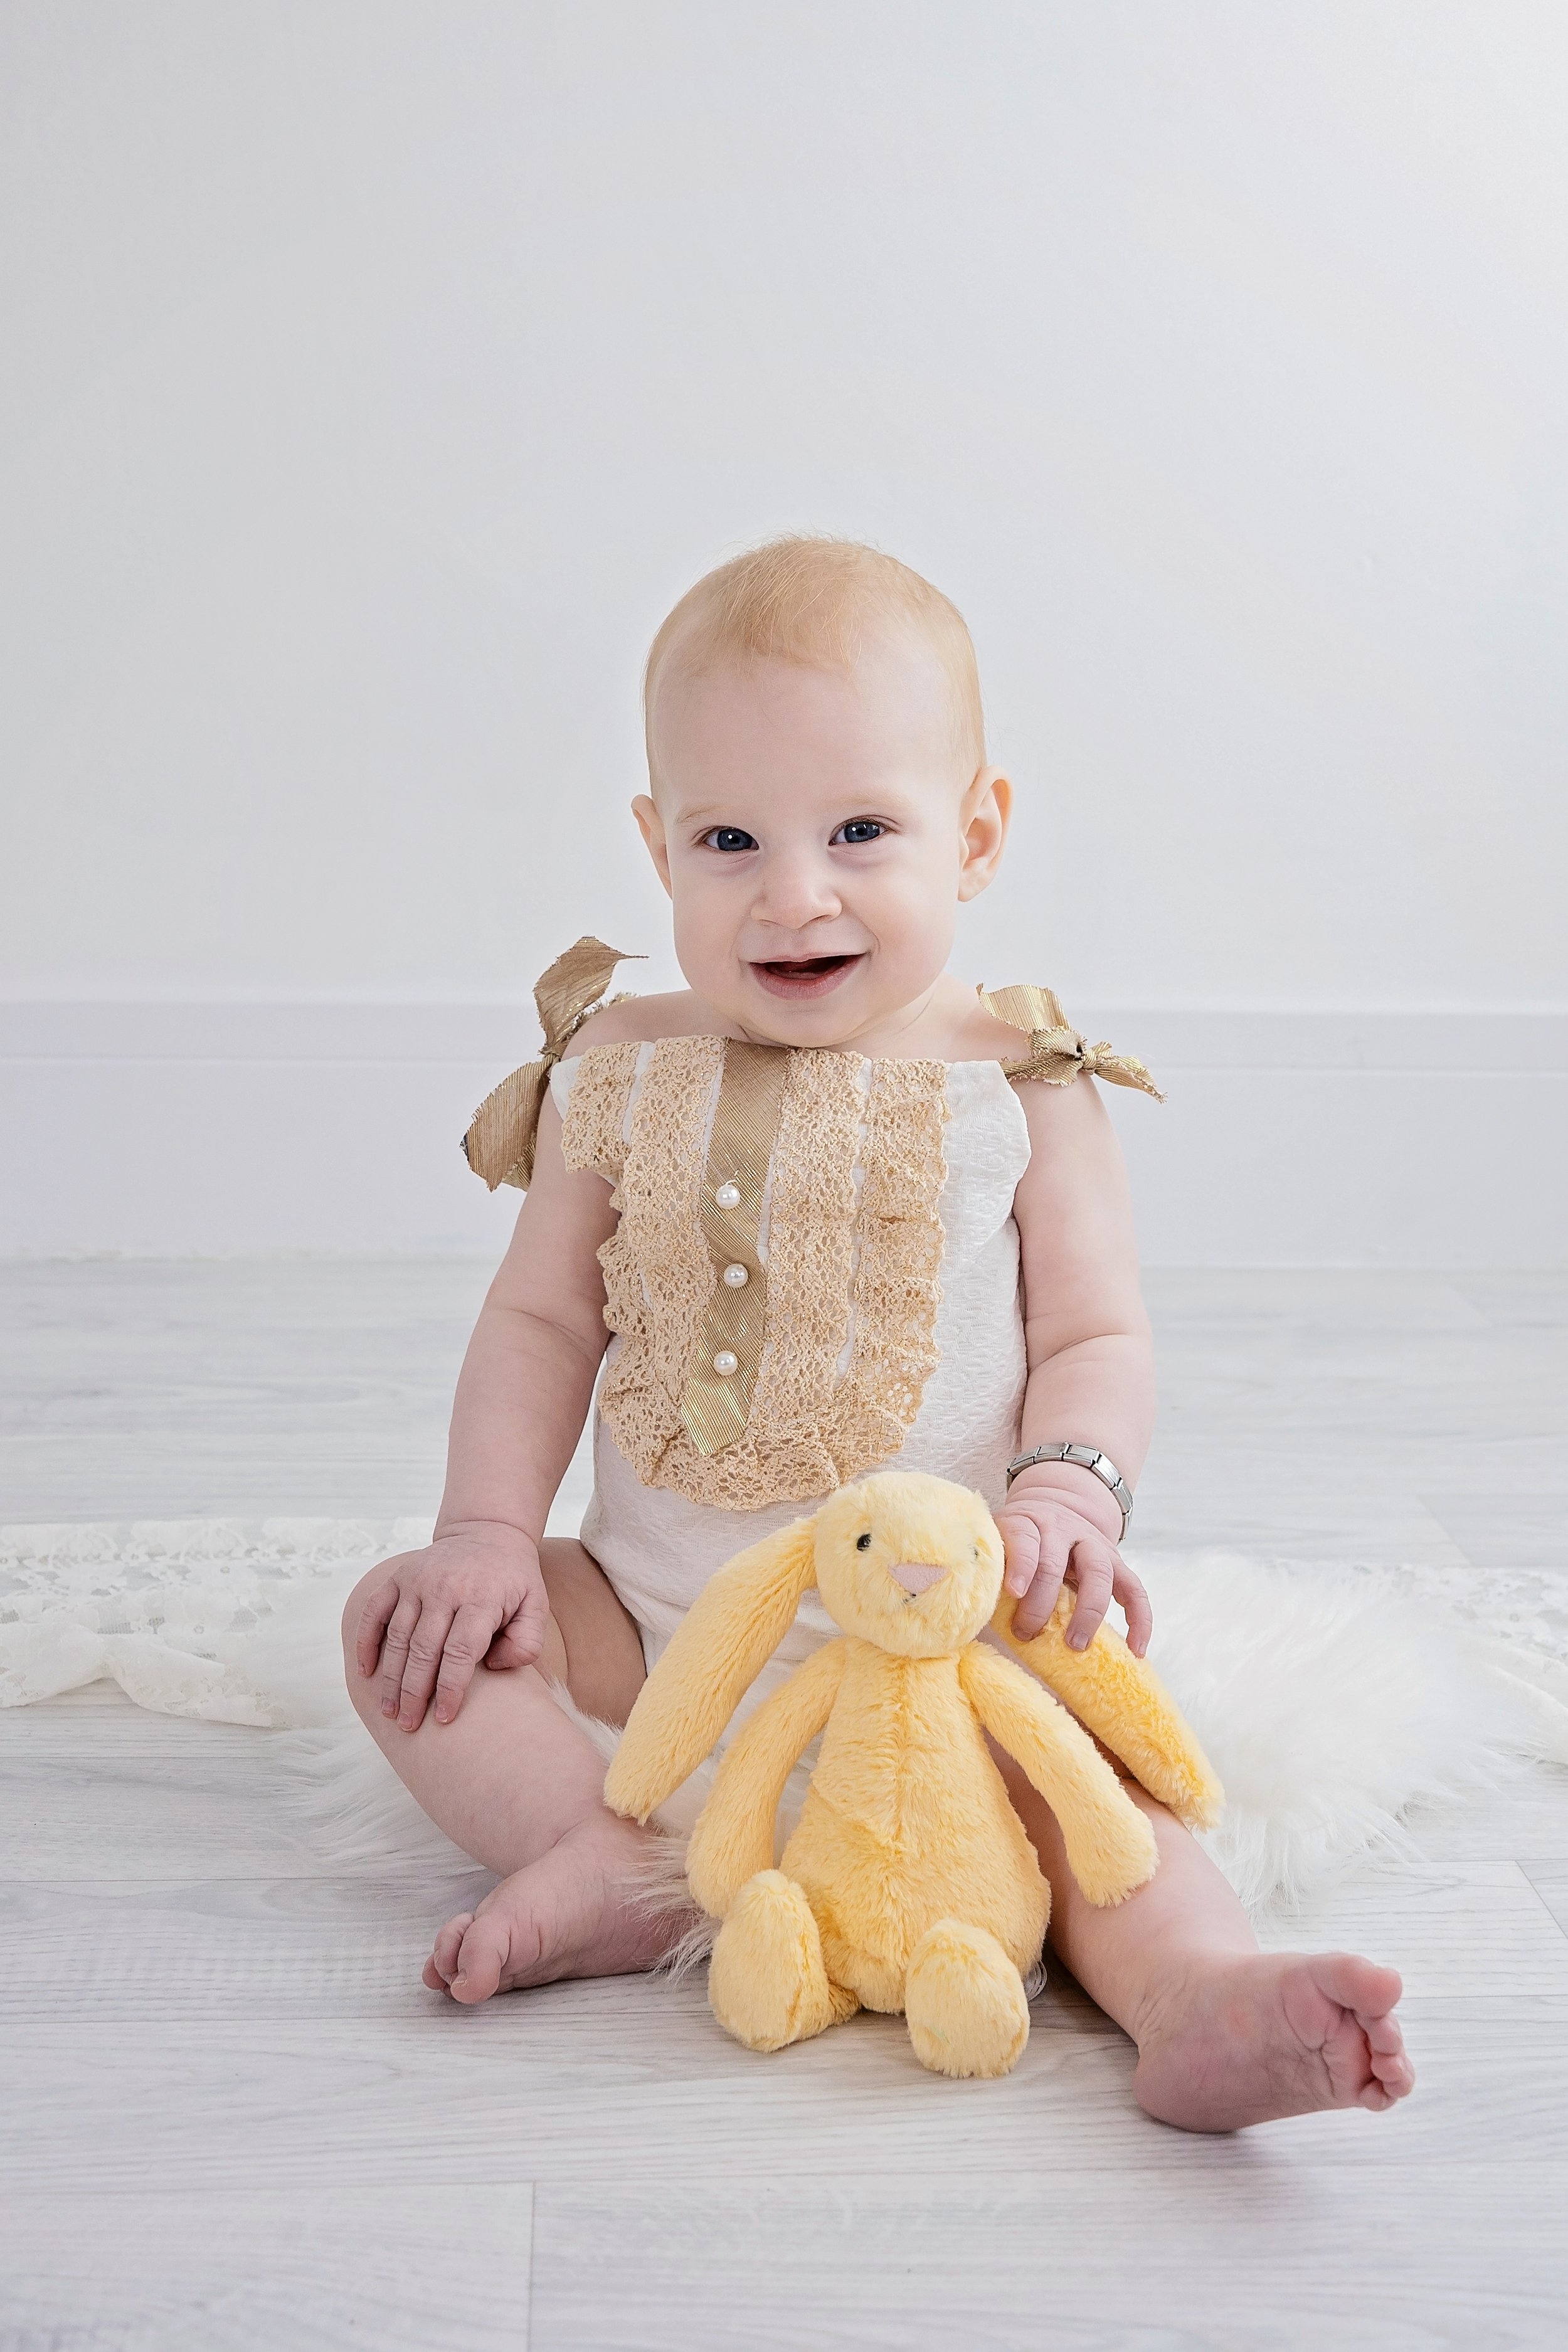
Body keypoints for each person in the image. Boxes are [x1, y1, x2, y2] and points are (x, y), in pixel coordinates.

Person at [341, 536, 1413, 2132]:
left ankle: (1191, 1995)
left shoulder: (1019, 1077)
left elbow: (1098, 1333)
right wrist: (487, 1533)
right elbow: (541, 1317)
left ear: (974, 832)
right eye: (727, 837)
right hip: (648, 1631)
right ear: (654, 846)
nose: (794, 892)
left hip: (940, 1640)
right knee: (401, 1633)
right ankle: (616, 1856)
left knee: (1088, 1789)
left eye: (858, 829)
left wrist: (1063, 1492)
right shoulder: (616, 1066)